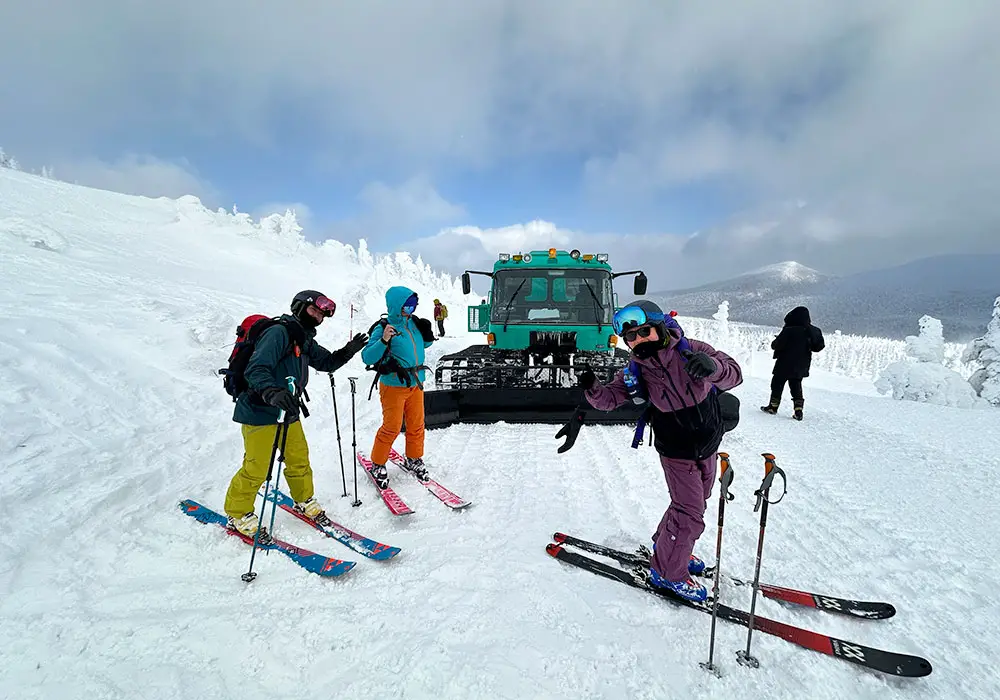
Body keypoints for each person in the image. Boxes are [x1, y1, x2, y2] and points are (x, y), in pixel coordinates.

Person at [579, 300, 742, 602]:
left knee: (695, 501)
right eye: (632, 337)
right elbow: (610, 400)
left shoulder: (692, 349)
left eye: (645, 332)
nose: (639, 341)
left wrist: (714, 368)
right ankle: (668, 572)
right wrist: (592, 388)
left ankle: (668, 547)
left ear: (660, 327)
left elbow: (734, 373)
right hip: (676, 448)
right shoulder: (635, 371)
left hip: (708, 441)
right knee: (690, 511)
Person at [224, 290, 368, 538]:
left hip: (287, 410)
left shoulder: (303, 338)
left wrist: (348, 350)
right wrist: (271, 392)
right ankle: (237, 513)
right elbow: (256, 369)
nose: (318, 318)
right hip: (260, 410)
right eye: (314, 311)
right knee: (257, 467)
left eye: (322, 315)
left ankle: (303, 500)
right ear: (299, 308)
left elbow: (327, 363)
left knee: (298, 458)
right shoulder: (279, 332)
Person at [361, 286, 436, 487]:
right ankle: (377, 463)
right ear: (397, 305)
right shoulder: (384, 327)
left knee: (417, 424)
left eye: (414, 305)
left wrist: (427, 334)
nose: (412, 309)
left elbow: (419, 345)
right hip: (394, 385)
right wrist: (384, 339)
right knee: (392, 427)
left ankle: (413, 458)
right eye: (408, 306)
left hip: (416, 383)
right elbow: (367, 357)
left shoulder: (413, 324)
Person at [761, 305, 825, 420]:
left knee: (777, 384)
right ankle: (798, 410)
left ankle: (773, 407)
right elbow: (818, 347)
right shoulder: (813, 331)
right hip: (802, 365)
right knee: (796, 386)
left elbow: (776, 345)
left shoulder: (789, 330)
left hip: (784, 363)